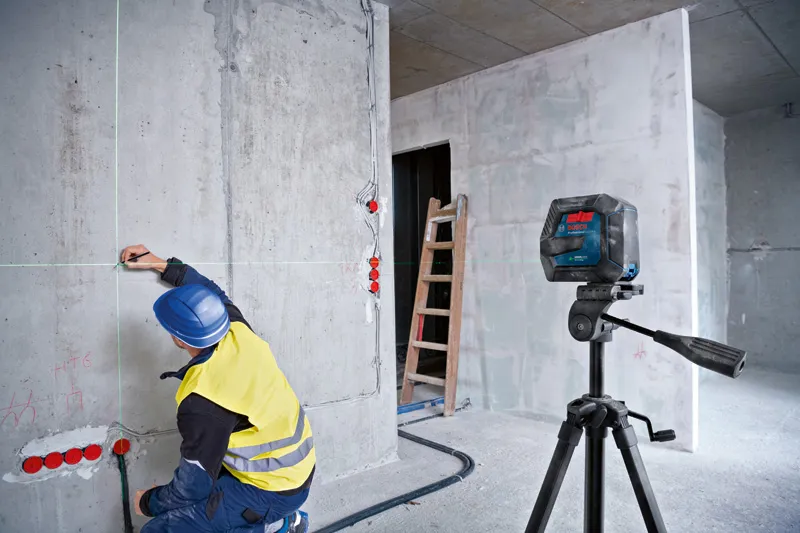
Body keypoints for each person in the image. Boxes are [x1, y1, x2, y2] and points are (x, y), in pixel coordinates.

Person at [122, 244, 313, 533]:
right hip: (295, 471)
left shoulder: (202, 400)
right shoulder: (238, 330)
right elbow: (210, 290)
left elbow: (191, 489)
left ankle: (281, 520)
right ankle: (288, 523)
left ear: (179, 339)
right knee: (212, 509)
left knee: (159, 528)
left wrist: (147, 502)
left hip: (272, 490)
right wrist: (161, 264)